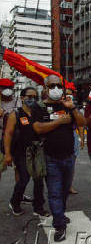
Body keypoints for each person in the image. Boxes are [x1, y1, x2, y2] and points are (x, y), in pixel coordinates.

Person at [33, 75, 86, 242]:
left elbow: (82, 122)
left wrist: (73, 108)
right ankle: (59, 225)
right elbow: (38, 128)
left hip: (69, 157)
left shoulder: (68, 105)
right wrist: (60, 121)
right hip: (50, 158)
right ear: (46, 88)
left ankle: (60, 214)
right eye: (52, 86)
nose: (56, 89)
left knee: (63, 191)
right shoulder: (39, 107)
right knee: (54, 193)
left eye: (58, 86)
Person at [5, 87, 49, 217]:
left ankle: (38, 206)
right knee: (24, 178)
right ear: (22, 97)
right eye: (30, 97)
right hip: (21, 152)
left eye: (35, 97)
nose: (32, 100)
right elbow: (8, 134)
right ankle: (15, 202)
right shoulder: (16, 114)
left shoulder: (39, 112)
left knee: (39, 180)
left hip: (37, 151)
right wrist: (8, 154)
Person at [0, 78, 32, 204]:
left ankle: (19, 194)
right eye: (3, 87)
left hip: (18, 141)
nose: (6, 90)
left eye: (9, 88)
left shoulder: (19, 101)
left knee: (19, 169)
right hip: (1, 139)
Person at [65, 86, 83, 195]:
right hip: (60, 137)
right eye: (66, 93)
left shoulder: (74, 107)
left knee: (71, 163)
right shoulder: (58, 106)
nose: (68, 95)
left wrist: (81, 137)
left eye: (70, 93)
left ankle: (69, 186)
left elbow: (80, 124)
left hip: (73, 135)